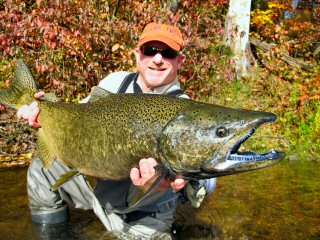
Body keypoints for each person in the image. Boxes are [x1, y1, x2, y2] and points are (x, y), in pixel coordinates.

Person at [17, 22, 217, 239]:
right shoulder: (116, 82)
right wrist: (42, 109)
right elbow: (75, 117)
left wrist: (178, 183)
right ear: (138, 55)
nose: (158, 59)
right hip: (96, 190)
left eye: (167, 53)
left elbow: (211, 168)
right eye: (150, 51)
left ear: (179, 61)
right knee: (43, 166)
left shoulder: (186, 112)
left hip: (143, 213)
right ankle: (52, 233)